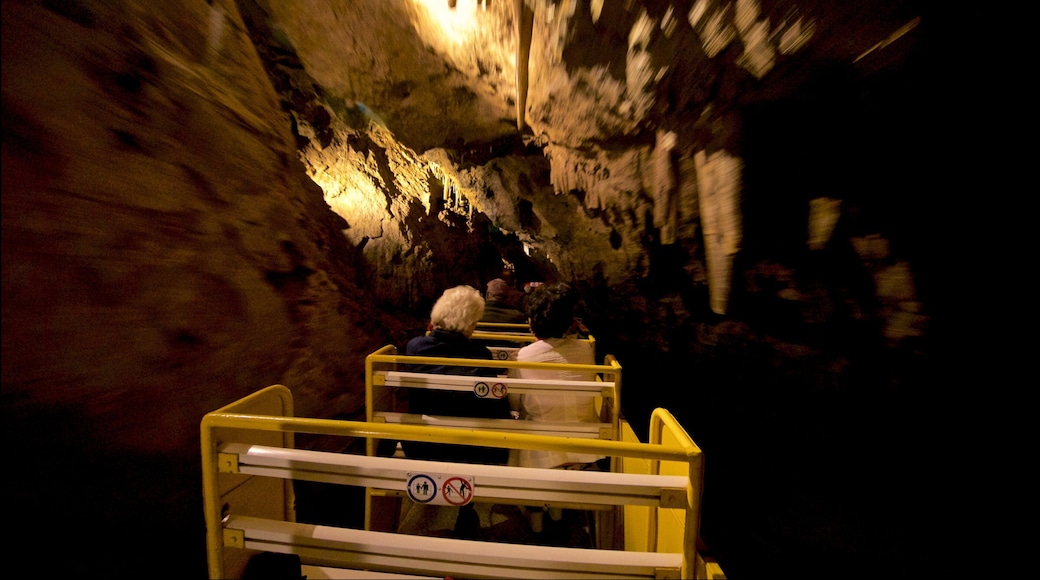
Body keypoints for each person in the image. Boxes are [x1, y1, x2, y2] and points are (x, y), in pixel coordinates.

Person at [402, 285, 512, 539]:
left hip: (423, 445)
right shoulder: (479, 354)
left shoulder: (414, 348)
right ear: (468, 323)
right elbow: (494, 406)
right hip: (469, 448)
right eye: (475, 322)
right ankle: (466, 506)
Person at [511, 282, 608, 531]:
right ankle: (556, 513)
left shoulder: (525, 356)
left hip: (544, 447)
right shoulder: (586, 351)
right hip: (588, 443)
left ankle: (536, 522)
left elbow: (516, 402)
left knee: (523, 428)